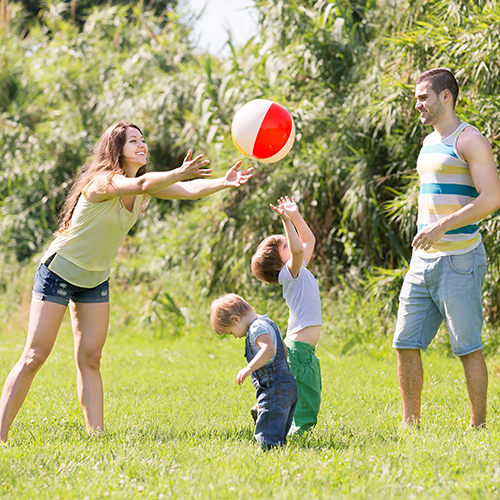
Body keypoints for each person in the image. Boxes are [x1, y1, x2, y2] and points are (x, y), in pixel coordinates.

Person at [0, 122, 253, 443]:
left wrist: (223, 182)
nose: (142, 144)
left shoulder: (140, 185)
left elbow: (187, 191)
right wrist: (179, 171)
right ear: (116, 149)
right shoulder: (101, 183)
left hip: (94, 278)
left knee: (91, 357)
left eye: (143, 139)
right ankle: (0, 435)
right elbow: (149, 180)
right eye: (133, 141)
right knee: (35, 354)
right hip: (59, 271)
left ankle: (97, 436)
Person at [393, 68, 500, 428]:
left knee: (467, 347)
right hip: (422, 261)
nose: (418, 103)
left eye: (424, 96)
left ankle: (478, 425)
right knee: (404, 342)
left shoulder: (470, 140)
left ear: (446, 97)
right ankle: (411, 423)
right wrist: (429, 233)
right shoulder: (428, 144)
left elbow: (492, 199)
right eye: (417, 97)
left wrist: (442, 226)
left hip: (460, 259)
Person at [251, 196, 322, 435]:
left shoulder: (298, 270)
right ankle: (297, 432)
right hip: (300, 348)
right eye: (284, 246)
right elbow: (299, 247)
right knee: (306, 393)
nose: (290, 246)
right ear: (281, 264)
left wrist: (295, 215)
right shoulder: (289, 275)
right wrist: (286, 221)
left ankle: (267, 408)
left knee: (298, 390)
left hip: (301, 347)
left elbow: (308, 240)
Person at [210, 293, 297, 450]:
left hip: (274, 385)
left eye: (230, 332)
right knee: (277, 428)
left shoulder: (256, 328)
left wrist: (249, 368)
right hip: (287, 383)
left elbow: (269, 349)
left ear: (235, 319)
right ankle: (277, 452)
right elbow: (283, 349)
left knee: (268, 430)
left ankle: (266, 455)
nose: (235, 337)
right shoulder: (269, 323)